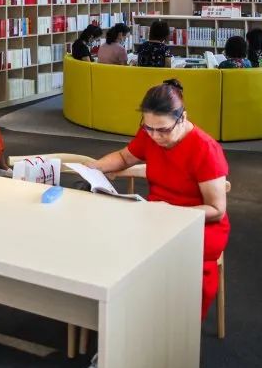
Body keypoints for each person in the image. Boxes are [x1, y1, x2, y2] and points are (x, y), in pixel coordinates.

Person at [86, 79, 229, 320]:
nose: (155, 136)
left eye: (163, 130)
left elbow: (217, 209)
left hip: (198, 224)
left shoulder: (205, 149)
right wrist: (94, 167)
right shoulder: (151, 135)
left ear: (182, 118)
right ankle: (122, 319)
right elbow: (125, 157)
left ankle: (165, 324)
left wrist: (172, 212)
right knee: (112, 243)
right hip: (156, 215)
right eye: (148, 128)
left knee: (155, 261)